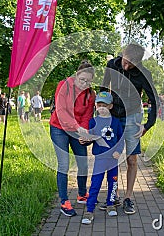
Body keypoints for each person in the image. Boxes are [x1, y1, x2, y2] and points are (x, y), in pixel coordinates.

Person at [101, 43, 158, 215]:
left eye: (131, 64)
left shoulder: (144, 74)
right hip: (113, 117)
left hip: (132, 118)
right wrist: (101, 112)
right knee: (112, 158)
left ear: (138, 63)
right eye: (125, 61)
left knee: (131, 160)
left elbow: (154, 101)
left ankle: (128, 197)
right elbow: (104, 89)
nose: (126, 66)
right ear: (122, 54)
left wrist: (148, 125)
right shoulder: (112, 65)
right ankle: (113, 195)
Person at [49, 61, 96, 217]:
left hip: (76, 130)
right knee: (64, 164)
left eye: (88, 81)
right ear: (76, 75)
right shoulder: (64, 86)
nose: (85, 83)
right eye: (82, 80)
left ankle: (82, 194)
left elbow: (87, 115)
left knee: (83, 161)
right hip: (59, 128)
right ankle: (64, 201)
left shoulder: (91, 94)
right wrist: (78, 128)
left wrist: (83, 133)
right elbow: (61, 112)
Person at [80, 92, 124, 224]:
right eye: (99, 105)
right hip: (100, 159)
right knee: (95, 183)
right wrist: (86, 140)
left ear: (110, 106)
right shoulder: (93, 121)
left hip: (113, 159)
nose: (102, 108)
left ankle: (110, 203)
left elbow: (121, 139)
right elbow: (91, 137)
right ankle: (89, 210)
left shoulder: (116, 122)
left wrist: (119, 151)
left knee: (113, 182)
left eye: (105, 105)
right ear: (96, 106)